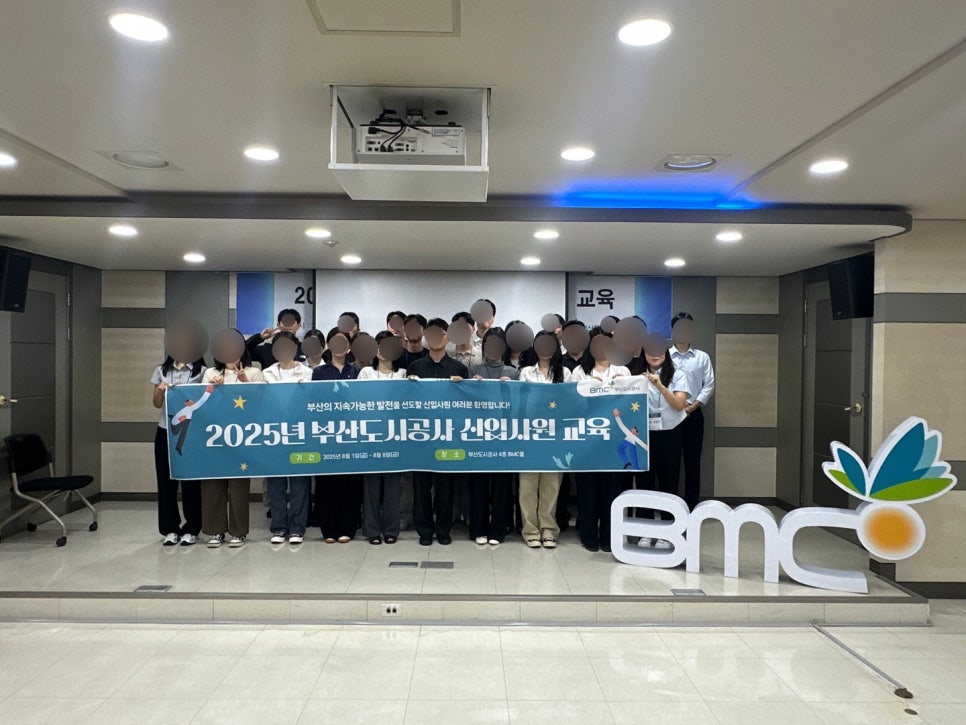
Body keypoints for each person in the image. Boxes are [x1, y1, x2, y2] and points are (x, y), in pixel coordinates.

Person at [407, 318, 469, 545]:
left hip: (448, 436)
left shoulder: (459, 369)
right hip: (421, 436)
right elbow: (406, 402)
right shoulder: (415, 368)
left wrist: (462, 387)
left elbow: (467, 404)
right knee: (421, 487)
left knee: (446, 488)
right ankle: (425, 530)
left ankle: (444, 529)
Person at [201, 329, 265, 548]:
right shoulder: (210, 373)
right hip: (214, 435)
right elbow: (201, 402)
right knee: (213, 484)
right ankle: (215, 530)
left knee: (238, 486)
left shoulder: (254, 371)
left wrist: (245, 382)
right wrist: (212, 387)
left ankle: (239, 531)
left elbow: (263, 401)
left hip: (242, 436)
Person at [570, 327, 632, 552]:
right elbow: (572, 403)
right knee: (587, 489)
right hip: (586, 438)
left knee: (611, 489)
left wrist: (621, 386)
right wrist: (590, 389)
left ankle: (608, 536)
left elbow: (630, 404)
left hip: (613, 440)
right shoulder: (580, 371)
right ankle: (588, 535)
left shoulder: (623, 371)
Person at [517, 331, 572, 549]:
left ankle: (549, 529)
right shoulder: (525, 372)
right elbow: (521, 403)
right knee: (527, 486)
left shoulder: (565, 373)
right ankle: (530, 530)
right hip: (529, 435)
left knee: (551, 485)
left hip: (556, 436)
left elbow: (570, 401)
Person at [468, 327, 518, 545]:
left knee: (502, 484)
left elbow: (518, 405)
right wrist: (471, 386)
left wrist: (510, 389)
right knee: (478, 484)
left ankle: (498, 530)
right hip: (478, 434)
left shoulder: (513, 372)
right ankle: (478, 528)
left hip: (504, 435)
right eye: (489, 344)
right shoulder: (473, 370)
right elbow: (464, 402)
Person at [262, 331, 313, 545]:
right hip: (273, 433)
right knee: (276, 483)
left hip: (299, 432)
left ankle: (298, 528)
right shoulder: (266, 373)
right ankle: (279, 527)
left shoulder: (308, 373)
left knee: (300, 483)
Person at [151, 352, 206, 546]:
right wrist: (160, 390)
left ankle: (192, 529)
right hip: (165, 431)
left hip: (191, 432)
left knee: (191, 482)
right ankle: (170, 529)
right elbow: (156, 403)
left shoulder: (202, 372)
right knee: (165, 482)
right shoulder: (161, 370)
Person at [639, 340, 689, 549]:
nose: (654, 354)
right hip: (644, 434)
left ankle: (668, 532)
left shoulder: (678, 374)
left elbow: (679, 405)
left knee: (669, 483)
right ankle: (645, 531)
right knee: (644, 483)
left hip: (670, 433)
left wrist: (659, 385)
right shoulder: (637, 375)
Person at [313, 327, 361, 543]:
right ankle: (329, 529)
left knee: (350, 483)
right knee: (327, 483)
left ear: (349, 347)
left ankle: (348, 528)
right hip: (327, 434)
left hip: (352, 434)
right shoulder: (319, 372)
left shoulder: (357, 372)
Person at [358, 331, 406, 544]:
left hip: (396, 437)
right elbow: (357, 401)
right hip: (371, 436)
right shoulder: (366, 373)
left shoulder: (404, 374)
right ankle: (372, 530)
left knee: (393, 487)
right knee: (371, 486)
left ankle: (391, 530)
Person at [668, 312, 715, 510]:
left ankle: (691, 506)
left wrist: (693, 406)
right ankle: (670, 507)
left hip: (693, 414)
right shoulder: (663, 356)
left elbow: (709, 385)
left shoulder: (702, 357)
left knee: (692, 463)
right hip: (669, 415)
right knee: (670, 464)